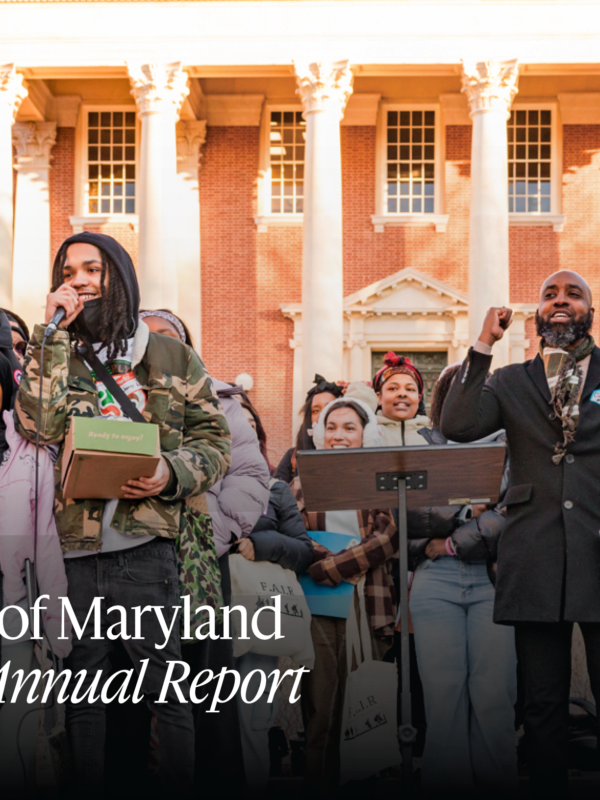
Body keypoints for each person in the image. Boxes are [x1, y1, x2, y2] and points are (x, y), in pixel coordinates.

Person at [14, 233, 231, 791]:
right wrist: (50, 335)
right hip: (77, 552)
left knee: (167, 692)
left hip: (148, 550)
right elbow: (38, 424)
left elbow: (215, 441)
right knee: (85, 696)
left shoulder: (172, 356)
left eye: (93, 269)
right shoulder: (60, 349)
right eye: (69, 271)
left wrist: (170, 474)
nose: (80, 280)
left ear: (121, 279)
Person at [440, 270, 600, 796]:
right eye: (550, 295)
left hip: (597, 549)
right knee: (543, 702)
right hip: (535, 553)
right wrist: (483, 344)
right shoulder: (510, 381)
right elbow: (457, 426)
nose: (560, 301)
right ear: (535, 315)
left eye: (572, 294)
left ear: (589, 311)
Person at [139, 308, 269, 791]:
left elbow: (251, 476)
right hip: (134, 561)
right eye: (146, 339)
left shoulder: (222, 400)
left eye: (168, 339)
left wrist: (206, 534)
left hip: (200, 563)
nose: (158, 348)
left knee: (209, 689)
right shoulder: (119, 398)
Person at [408, 365, 518, 789]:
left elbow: (511, 512)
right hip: (435, 583)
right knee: (442, 697)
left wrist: (453, 540)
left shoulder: (512, 448)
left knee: (494, 696)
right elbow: (412, 516)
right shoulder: (424, 447)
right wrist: (465, 511)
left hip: (493, 580)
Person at [294, 396, 398, 789]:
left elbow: (387, 536)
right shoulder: (300, 482)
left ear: (364, 435)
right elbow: (296, 536)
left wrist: (334, 567)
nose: (339, 435)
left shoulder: (378, 477)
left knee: (365, 702)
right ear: (320, 434)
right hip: (319, 607)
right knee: (320, 707)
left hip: (368, 603)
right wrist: (333, 567)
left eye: (349, 428)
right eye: (331, 427)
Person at [0, 309, 70, 789]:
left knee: (16, 744)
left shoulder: (29, 450)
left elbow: (46, 539)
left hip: (13, 615)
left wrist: (57, 627)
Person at [234, 400, 313, 791]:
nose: (241, 428)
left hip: (257, 616)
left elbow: (303, 550)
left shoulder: (275, 489)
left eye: (250, 423)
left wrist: (261, 543)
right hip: (206, 612)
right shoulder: (194, 481)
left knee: (253, 718)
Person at [275, 374, 343, 483]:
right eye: (316, 410)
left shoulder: (351, 449)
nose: (322, 415)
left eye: (329, 407)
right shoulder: (293, 456)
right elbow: (277, 494)